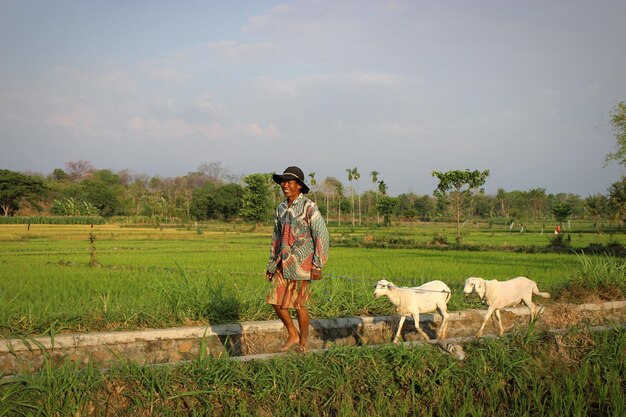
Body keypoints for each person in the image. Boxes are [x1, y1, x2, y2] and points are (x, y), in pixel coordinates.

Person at [265, 166, 329, 353]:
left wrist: (317, 265)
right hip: (282, 263)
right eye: (283, 182)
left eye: (289, 182)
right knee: (275, 302)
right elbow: (276, 236)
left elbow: (322, 235)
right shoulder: (281, 208)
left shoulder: (309, 207)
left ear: (299, 185)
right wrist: (271, 263)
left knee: (300, 305)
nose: (285, 185)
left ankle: (303, 342)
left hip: (303, 265)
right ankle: (293, 334)